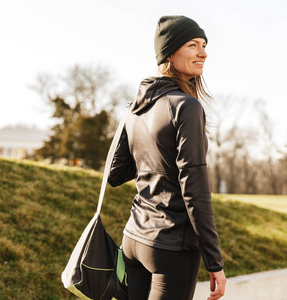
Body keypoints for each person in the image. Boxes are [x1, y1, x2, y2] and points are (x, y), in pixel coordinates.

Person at [108, 15, 226, 300]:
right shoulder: (186, 107)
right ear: (170, 53)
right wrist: (215, 261)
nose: (203, 52)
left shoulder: (136, 106)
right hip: (171, 247)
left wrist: (152, 156)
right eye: (192, 45)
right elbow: (195, 189)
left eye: (204, 45)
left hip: (134, 240)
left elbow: (115, 172)